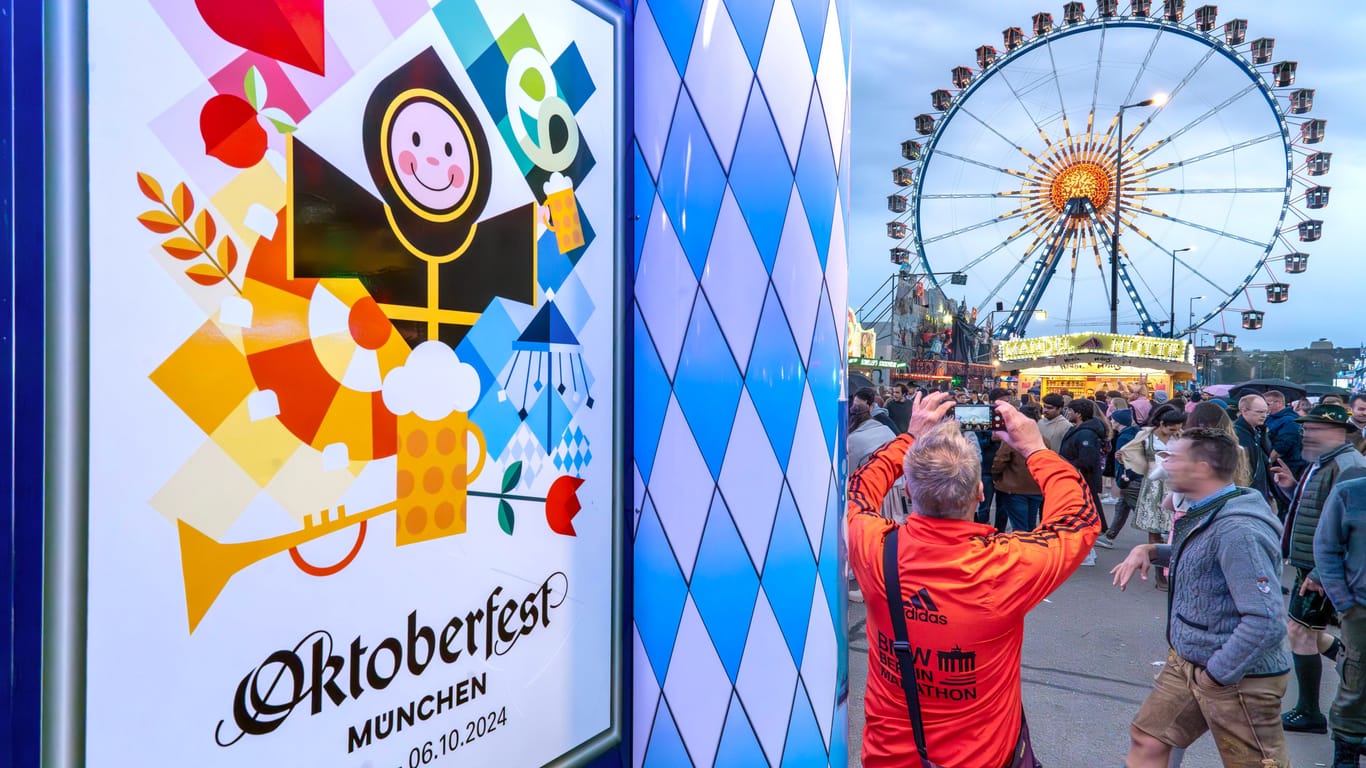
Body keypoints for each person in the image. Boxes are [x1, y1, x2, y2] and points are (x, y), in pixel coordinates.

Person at [847, 392, 1099, 767]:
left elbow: (857, 491)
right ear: (980, 494)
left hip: (888, 757)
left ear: (910, 490)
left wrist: (910, 437)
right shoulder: (1009, 565)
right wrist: (1035, 448)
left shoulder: (873, 547)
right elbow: (1078, 517)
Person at [1111, 428, 1291, 768]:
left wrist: (1217, 675)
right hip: (1191, 663)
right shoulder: (1211, 509)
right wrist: (1151, 549)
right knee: (1148, 739)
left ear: (1203, 468)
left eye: (1174, 458)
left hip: (1238, 677)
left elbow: (1266, 620)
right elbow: (1205, 558)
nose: (1165, 466)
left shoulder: (1238, 530)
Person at [1275, 404, 1366, 734]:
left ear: (1338, 432)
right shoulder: (1327, 462)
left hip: (1320, 570)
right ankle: (1355, 670)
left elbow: (1351, 528)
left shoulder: (1348, 465)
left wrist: (1318, 571)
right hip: (1312, 566)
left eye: (1314, 429)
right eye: (1306, 428)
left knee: (1300, 633)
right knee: (1309, 633)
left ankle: (1309, 711)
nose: (1306, 434)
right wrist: (1290, 486)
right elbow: (1315, 511)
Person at [1313, 476, 1366, 767]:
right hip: (1361, 608)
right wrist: (1343, 601)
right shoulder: (1350, 493)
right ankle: (1345, 752)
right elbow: (1326, 547)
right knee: (1356, 681)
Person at [1115, 405, 1187, 587]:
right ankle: (1160, 576)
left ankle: (1170, 570)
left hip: (1174, 485)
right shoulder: (1146, 437)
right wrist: (1125, 459)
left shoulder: (1181, 436)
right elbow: (1128, 451)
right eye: (1172, 428)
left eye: (1179, 427)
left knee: (1174, 527)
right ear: (1162, 424)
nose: (1176, 431)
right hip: (1153, 486)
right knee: (1155, 529)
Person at [1060, 398, 1111, 565]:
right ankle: (1087, 551)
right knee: (1080, 516)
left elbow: (1086, 460)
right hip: (1078, 480)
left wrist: (1065, 465)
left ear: (1078, 413)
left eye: (1070, 411)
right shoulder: (1081, 430)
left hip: (1082, 481)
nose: (1067, 413)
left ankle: (1086, 552)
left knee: (1082, 516)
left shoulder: (1086, 433)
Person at [992, 404, 1045, 532]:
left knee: (1020, 527)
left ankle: (1024, 550)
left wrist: (996, 477)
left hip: (1015, 489)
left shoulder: (1012, 440)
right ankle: (1032, 547)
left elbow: (999, 462)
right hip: (1036, 488)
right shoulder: (1043, 440)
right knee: (1030, 524)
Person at [849, 400, 904, 522]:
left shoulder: (853, 439)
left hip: (871, 491)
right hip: (892, 487)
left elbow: (850, 473)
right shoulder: (886, 429)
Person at [974, 388, 1012, 529]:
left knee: (1003, 508)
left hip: (1005, 470)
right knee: (984, 506)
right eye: (1002, 401)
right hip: (987, 469)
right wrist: (991, 439)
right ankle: (983, 531)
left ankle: (1000, 533)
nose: (1005, 405)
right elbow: (977, 445)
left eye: (1007, 402)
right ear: (991, 402)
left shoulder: (1010, 418)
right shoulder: (982, 417)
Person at [1234, 394, 1275, 504]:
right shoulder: (1238, 435)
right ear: (1244, 411)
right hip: (1249, 494)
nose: (1264, 416)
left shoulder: (1258, 432)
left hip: (1259, 492)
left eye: (1266, 412)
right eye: (1259, 412)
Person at [1265, 390, 1306, 477]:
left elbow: (1283, 445)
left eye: (1267, 404)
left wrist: (1268, 462)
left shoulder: (1289, 421)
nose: (1264, 407)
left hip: (1290, 465)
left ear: (1278, 403)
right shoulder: (1271, 418)